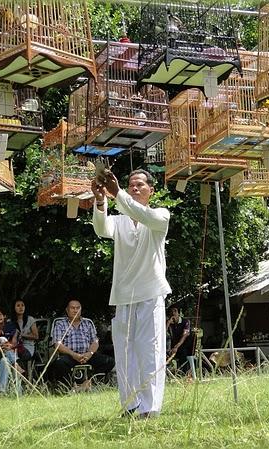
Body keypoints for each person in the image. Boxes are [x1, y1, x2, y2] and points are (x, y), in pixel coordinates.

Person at [92, 168, 171, 418]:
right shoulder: (120, 220)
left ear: (151, 190)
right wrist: (101, 200)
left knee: (150, 350)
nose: (134, 188)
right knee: (125, 354)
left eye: (139, 185)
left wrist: (118, 193)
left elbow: (142, 214)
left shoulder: (160, 216)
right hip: (124, 296)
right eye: (130, 184)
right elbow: (101, 228)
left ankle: (150, 407)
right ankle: (131, 405)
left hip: (151, 293)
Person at [49, 299, 114, 387]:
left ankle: (89, 382)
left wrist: (90, 353)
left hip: (87, 355)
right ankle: (70, 387)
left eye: (78, 308)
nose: (75, 310)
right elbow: (57, 344)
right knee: (59, 364)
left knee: (109, 361)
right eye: (72, 308)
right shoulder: (60, 324)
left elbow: (95, 341)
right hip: (70, 356)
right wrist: (73, 354)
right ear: (67, 310)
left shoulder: (87, 323)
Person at [0, 307, 21, 393]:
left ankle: (2, 391)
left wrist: (8, 346)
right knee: (2, 339)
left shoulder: (12, 328)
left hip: (6, 355)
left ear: (4, 316)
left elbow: (14, 343)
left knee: (4, 361)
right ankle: (15, 363)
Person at [7, 300, 38, 371]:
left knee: (13, 353)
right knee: (7, 352)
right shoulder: (10, 321)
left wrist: (23, 335)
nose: (21, 307)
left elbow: (36, 336)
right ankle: (19, 372)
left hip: (27, 348)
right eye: (18, 305)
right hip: (13, 347)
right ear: (14, 308)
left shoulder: (30, 319)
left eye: (22, 305)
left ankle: (19, 372)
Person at [166, 306, 193, 372]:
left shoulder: (185, 322)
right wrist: (168, 323)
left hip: (185, 346)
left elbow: (184, 335)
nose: (173, 313)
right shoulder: (169, 323)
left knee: (182, 353)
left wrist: (176, 346)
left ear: (179, 313)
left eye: (175, 311)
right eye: (171, 311)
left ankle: (184, 373)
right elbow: (162, 334)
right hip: (173, 346)